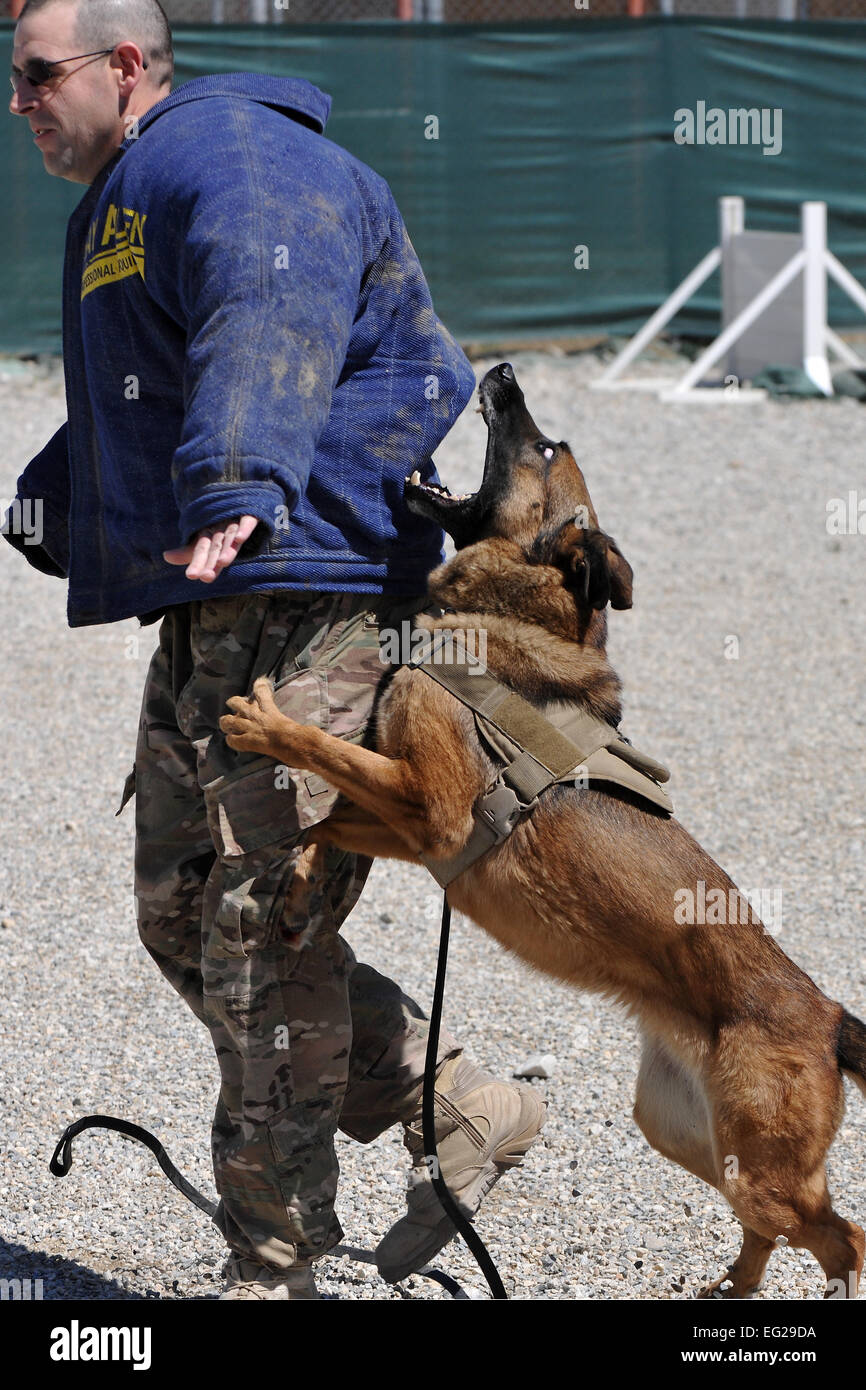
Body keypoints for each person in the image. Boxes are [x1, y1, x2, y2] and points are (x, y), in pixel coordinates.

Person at [4, 0, 545, 1299]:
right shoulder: (136, 190)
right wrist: (57, 504)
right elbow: (154, 382)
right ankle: (451, 1099)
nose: (20, 102)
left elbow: (268, 300)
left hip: (323, 585)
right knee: (181, 909)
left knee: (260, 924)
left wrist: (238, 474)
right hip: (226, 595)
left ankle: (274, 1267)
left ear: (124, 65)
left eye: (35, 75)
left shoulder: (238, 159)